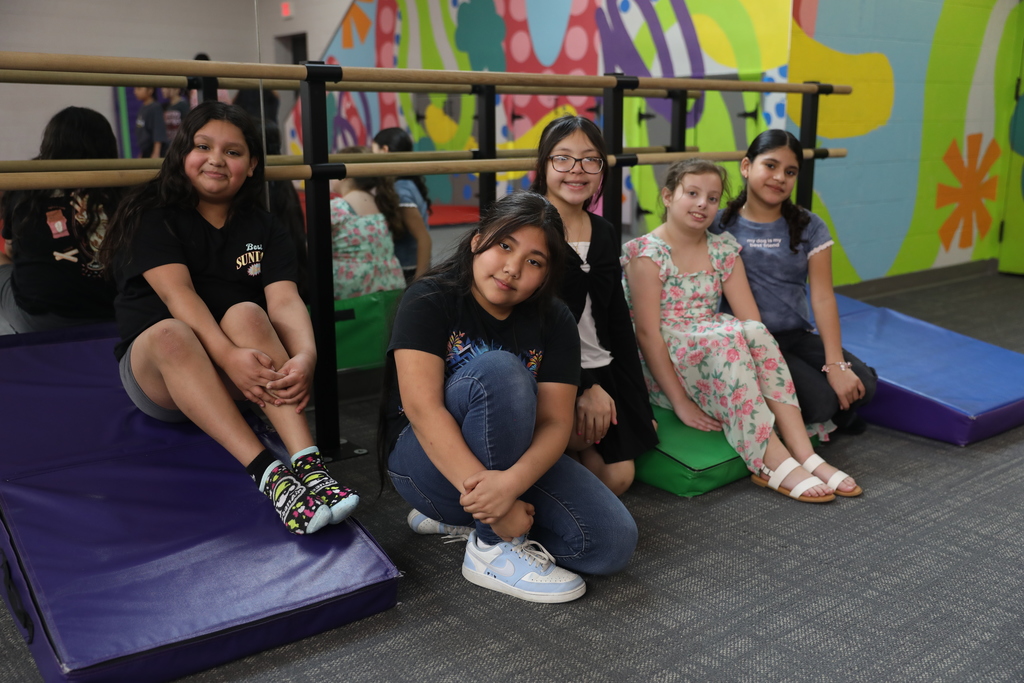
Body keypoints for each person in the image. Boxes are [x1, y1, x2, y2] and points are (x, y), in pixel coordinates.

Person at [99, 101, 358, 535]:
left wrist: (306, 356)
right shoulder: (153, 213)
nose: (217, 159)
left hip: (239, 376)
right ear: (183, 153)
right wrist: (227, 356)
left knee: (247, 313)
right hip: (161, 374)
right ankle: (270, 476)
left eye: (233, 152)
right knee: (171, 332)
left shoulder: (263, 225)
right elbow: (177, 294)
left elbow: (285, 301)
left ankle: (310, 467)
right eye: (203, 146)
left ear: (252, 164)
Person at [381, 191, 637, 603]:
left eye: (534, 262)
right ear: (477, 239)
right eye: (504, 245)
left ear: (547, 274)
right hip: (424, 462)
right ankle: (490, 549)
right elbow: (421, 409)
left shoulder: (554, 320)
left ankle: (467, 518)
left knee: (611, 543)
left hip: (508, 466)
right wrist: (500, 513)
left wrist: (510, 489)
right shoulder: (430, 297)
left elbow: (556, 422)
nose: (512, 268)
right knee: (500, 370)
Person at [622, 159, 862, 502]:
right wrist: (680, 404)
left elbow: (753, 322)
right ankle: (770, 460)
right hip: (667, 354)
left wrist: (753, 352)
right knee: (727, 341)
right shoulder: (646, 253)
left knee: (750, 332)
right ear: (667, 196)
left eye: (712, 198)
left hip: (711, 341)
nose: (703, 204)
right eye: (692, 193)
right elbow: (646, 334)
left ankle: (804, 453)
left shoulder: (723, 249)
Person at [713, 130, 877, 436]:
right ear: (747, 166)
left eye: (790, 172)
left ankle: (826, 413)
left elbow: (823, 297)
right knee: (821, 402)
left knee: (865, 384)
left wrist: (836, 365)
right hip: (750, 342)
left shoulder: (809, 225)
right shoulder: (718, 223)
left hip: (796, 336)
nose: (780, 178)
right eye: (771, 166)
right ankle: (822, 415)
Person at [528, 115, 657, 495]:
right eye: (563, 159)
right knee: (577, 440)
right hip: (550, 372)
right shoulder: (530, 230)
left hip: (602, 368)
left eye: (590, 160)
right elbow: (528, 324)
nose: (577, 170)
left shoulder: (603, 231)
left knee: (619, 478)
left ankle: (557, 472)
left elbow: (617, 322)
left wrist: (640, 406)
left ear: (602, 169)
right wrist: (583, 387)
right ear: (543, 165)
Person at [0, 107, 123, 334]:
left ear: (49, 146)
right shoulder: (125, 188)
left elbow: (10, 249)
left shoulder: (25, 188)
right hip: (117, 310)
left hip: (41, 318)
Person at [328, 147, 406, 300]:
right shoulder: (381, 202)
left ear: (345, 175)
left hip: (351, 288)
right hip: (390, 282)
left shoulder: (337, 207)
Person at [371, 128, 432, 281]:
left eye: (373, 151)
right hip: (408, 266)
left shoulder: (400, 188)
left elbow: (424, 238)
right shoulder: (407, 182)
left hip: (408, 269)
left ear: (384, 150)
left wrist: (420, 280)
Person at [134, 86, 168, 159]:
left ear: (150, 90)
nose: (135, 92)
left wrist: (156, 153)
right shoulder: (143, 108)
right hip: (146, 151)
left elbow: (158, 130)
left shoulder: (155, 107)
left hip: (153, 150)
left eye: (139, 88)